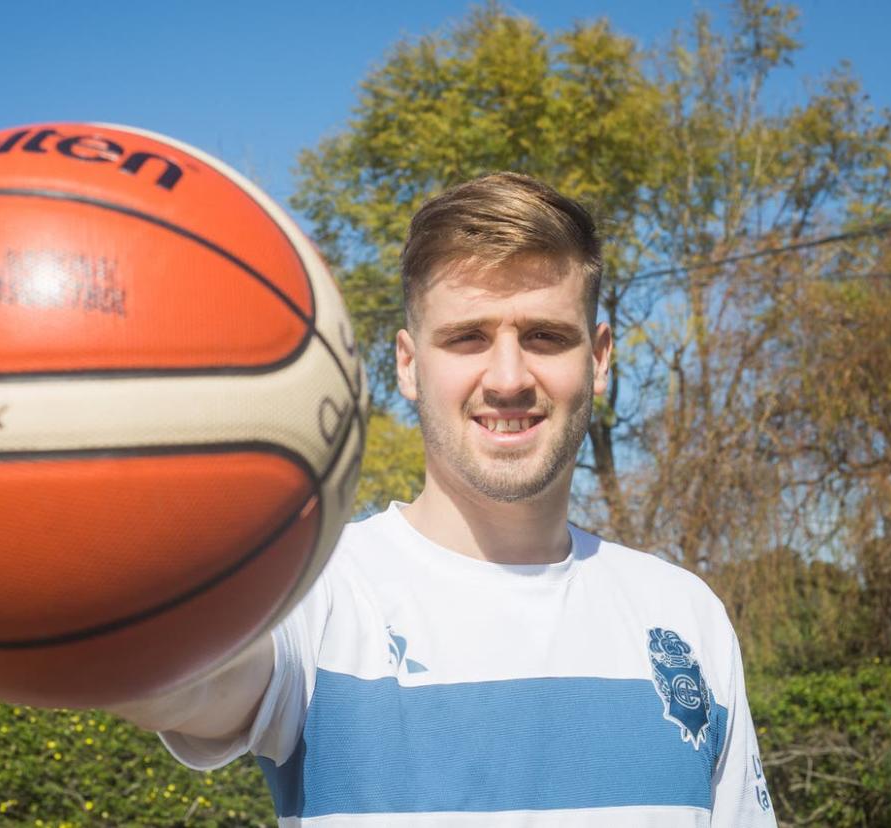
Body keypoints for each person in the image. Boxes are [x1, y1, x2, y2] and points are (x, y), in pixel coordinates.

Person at [111, 173, 777, 827]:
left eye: (545, 336)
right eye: (468, 338)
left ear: (599, 359)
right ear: (408, 364)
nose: (510, 378)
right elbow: (177, 676)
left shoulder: (687, 617)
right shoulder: (316, 594)